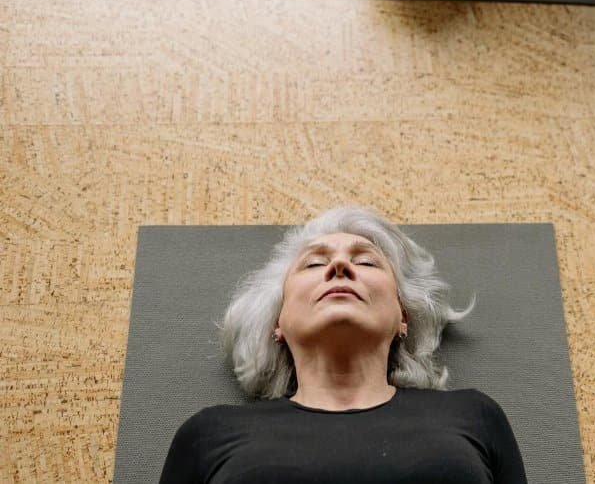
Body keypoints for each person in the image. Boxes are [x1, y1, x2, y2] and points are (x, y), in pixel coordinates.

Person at [159, 206, 526, 483]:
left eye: (366, 260)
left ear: (403, 316)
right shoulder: (208, 435)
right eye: (313, 263)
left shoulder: (473, 416)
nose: (338, 266)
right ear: (277, 322)